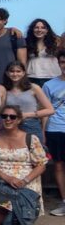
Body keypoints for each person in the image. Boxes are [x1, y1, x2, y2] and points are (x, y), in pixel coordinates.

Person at [0, 105, 48, 225]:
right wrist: (6, 177)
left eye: (12, 117)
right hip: (2, 180)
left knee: (14, 220)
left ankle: (20, 212)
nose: (8, 119)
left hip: (25, 182)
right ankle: (15, 214)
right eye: (4, 116)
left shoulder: (30, 138)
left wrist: (24, 181)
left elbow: (41, 165)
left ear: (18, 120)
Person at [3, 60, 53, 138]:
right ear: (7, 73)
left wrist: (26, 115)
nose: (15, 74)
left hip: (31, 125)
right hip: (10, 125)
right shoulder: (3, 89)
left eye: (18, 71)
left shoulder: (34, 88)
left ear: (23, 73)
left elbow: (50, 110)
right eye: (12, 71)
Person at [43, 52, 65, 216]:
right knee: (58, 165)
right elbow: (45, 111)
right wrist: (43, 132)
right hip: (55, 129)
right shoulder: (49, 85)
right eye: (63, 62)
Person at [0, 7, 26, 80]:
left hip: (12, 78)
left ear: (5, 21)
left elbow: (22, 62)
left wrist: (22, 79)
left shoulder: (15, 36)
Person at [25, 19, 60, 87]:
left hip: (53, 77)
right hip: (32, 77)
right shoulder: (26, 43)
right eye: (36, 27)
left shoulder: (56, 43)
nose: (39, 30)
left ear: (47, 31)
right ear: (32, 30)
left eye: (43, 28)